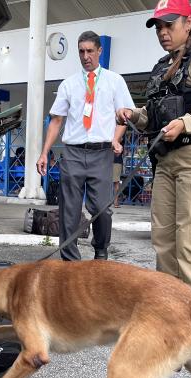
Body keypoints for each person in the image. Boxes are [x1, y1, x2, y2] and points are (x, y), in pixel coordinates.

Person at [116, 0, 191, 302]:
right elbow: (155, 117)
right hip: (166, 162)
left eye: (170, 24)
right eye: (159, 27)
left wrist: (186, 123)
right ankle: (169, 319)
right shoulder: (162, 68)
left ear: (188, 22)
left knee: (190, 244)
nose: (163, 32)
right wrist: (134, 114)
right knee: (164, 242)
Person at [37, 31, 135, 260]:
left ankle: (100, 252)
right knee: (68, 211)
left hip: (101, 153)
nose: (85, 56)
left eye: (90, 51)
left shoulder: (115, 81)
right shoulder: (68, 84)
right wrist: (44, 153)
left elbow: (125, 116)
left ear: (99, 51)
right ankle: (71, 262)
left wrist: (116, 138)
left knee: (102, 209)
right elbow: (56, 120)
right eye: (81, 51)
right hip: (72, 153)